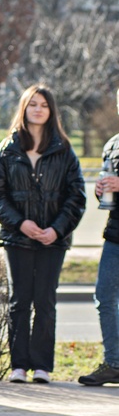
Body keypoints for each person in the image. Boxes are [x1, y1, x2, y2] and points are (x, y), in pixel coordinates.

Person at [0, 84, 86, 384]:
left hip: (53, 240)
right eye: (33, 104)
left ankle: (41, 366)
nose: (38, 109)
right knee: (19, 299)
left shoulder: (64, 150)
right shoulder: (7, 149)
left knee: (45, 300)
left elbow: (77, 196)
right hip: (17, 238)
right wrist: (20, 224)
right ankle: (18, 366)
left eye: (44, 104)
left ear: (51, 110)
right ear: (24, 109)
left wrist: (57, 229)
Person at [80, 90, 119, 386]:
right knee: (104, 296)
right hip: (115, 234)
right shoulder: (112, 145)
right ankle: (114, 362)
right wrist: (100, 190)